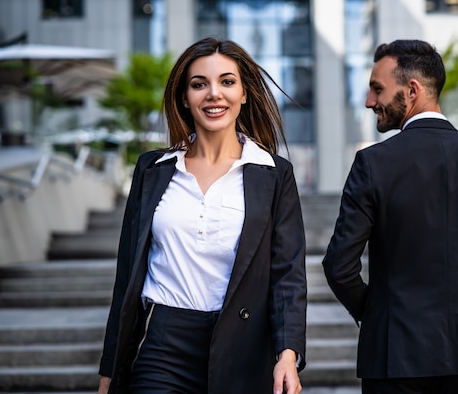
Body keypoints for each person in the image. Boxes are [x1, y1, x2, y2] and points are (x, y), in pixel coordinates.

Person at [98, 37, 307, 394]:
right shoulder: (152, 169)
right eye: (199, 84)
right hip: (163, 344)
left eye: (227, 82)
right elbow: (126, 280)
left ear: (244, 94)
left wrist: (287, 354)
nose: (214, 94)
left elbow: (287, 273)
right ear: (184, 97)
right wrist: (108, 377)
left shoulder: (274, 174)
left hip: (243, 346)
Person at [322, 39, 458, 394]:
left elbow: (340, 265)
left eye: (377, 89)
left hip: (393, 356)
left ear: (412, 90)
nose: (370, 102)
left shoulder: (373, 164)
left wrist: (376, 314)